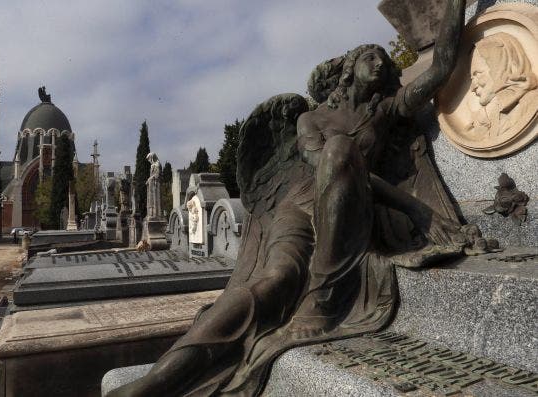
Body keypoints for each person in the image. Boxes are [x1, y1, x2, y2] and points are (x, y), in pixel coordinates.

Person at [107, 1, 478, 396]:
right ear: (349, 69)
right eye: (371, 56)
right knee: (271, 282)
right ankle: (153, 383)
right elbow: (327, 167)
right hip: (300, 205)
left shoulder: (385, 111)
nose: (381, 64)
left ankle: (321, 296)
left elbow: (440, 68)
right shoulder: (310, 120)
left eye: (384, 61)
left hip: (349, 211)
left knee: (339, 155)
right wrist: (414, 208)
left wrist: (457, 4)